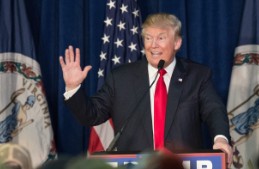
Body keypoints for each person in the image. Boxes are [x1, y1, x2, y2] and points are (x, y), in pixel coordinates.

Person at [59, 13, 232, 167]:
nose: (153, 45)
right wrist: (73, 88)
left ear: (177, 42)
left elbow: (214, 110)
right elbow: (92, 114)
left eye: (161, 38)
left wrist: (221, 139)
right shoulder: (120, 78)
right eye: (148, 38)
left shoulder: (197, 76)